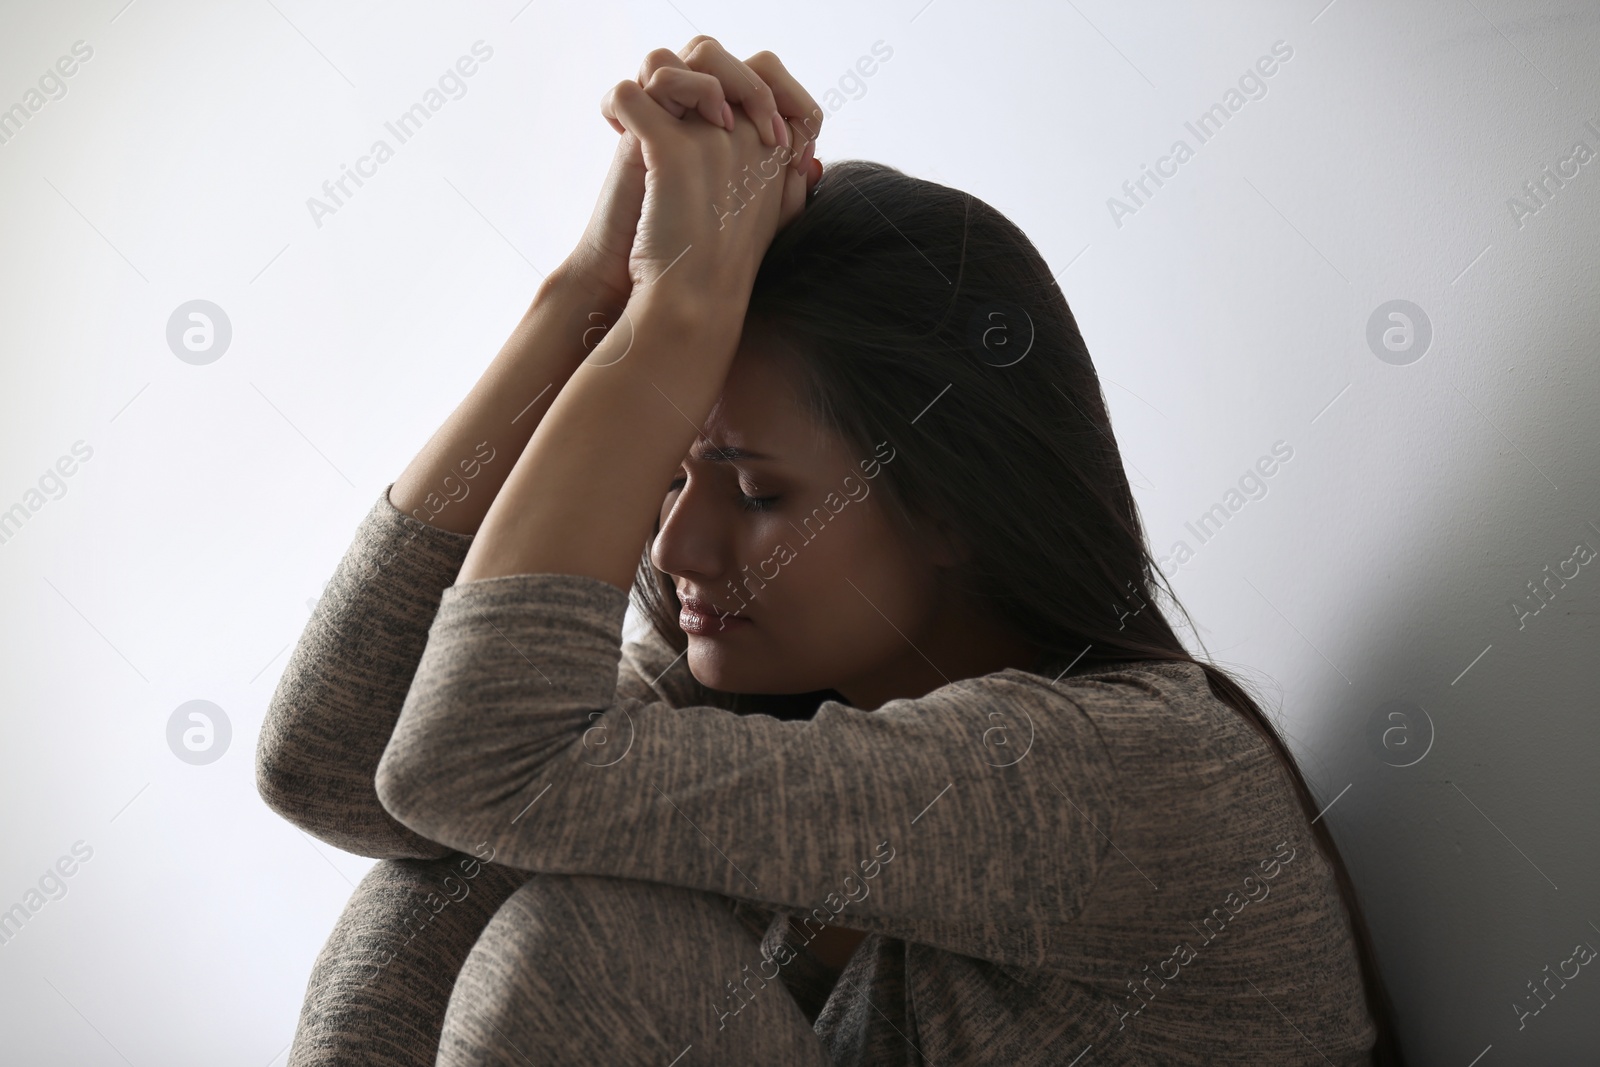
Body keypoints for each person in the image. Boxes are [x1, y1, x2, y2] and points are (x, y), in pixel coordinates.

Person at [255, 36, 1403, 1066]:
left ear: (951, 499)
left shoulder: (1122, 773)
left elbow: (473, 758)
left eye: (753, 488)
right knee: (443, 878)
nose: (678, 542)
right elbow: (338, 767)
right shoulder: (778, 704)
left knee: (592, 953)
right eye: (670, 475)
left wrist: (681, 315)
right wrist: (585, 301)